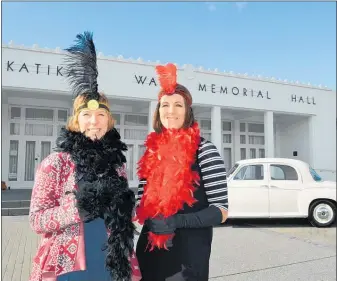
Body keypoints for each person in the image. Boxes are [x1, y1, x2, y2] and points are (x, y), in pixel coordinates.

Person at [28, 32, 136, 281]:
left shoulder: (117, 164)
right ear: (76, 120)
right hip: (70, 266)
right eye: (86, 115)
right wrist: (76, 210)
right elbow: (36, 220)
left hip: (111, 262)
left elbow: (123, 214)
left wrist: (127, 207)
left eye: (100, 116)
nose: (94, 122)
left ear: (109, 121)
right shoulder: (55, 163)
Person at [135, 63, 229, 281]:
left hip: (188, 254)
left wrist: (178, 221)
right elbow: (141, 201)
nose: (171, 111)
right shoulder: (152, 152)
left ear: (188, 111)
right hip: (150, 248)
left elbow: (221, 211)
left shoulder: (204, 150)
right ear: (158, 111)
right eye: (165, 105)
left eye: (178, 105)